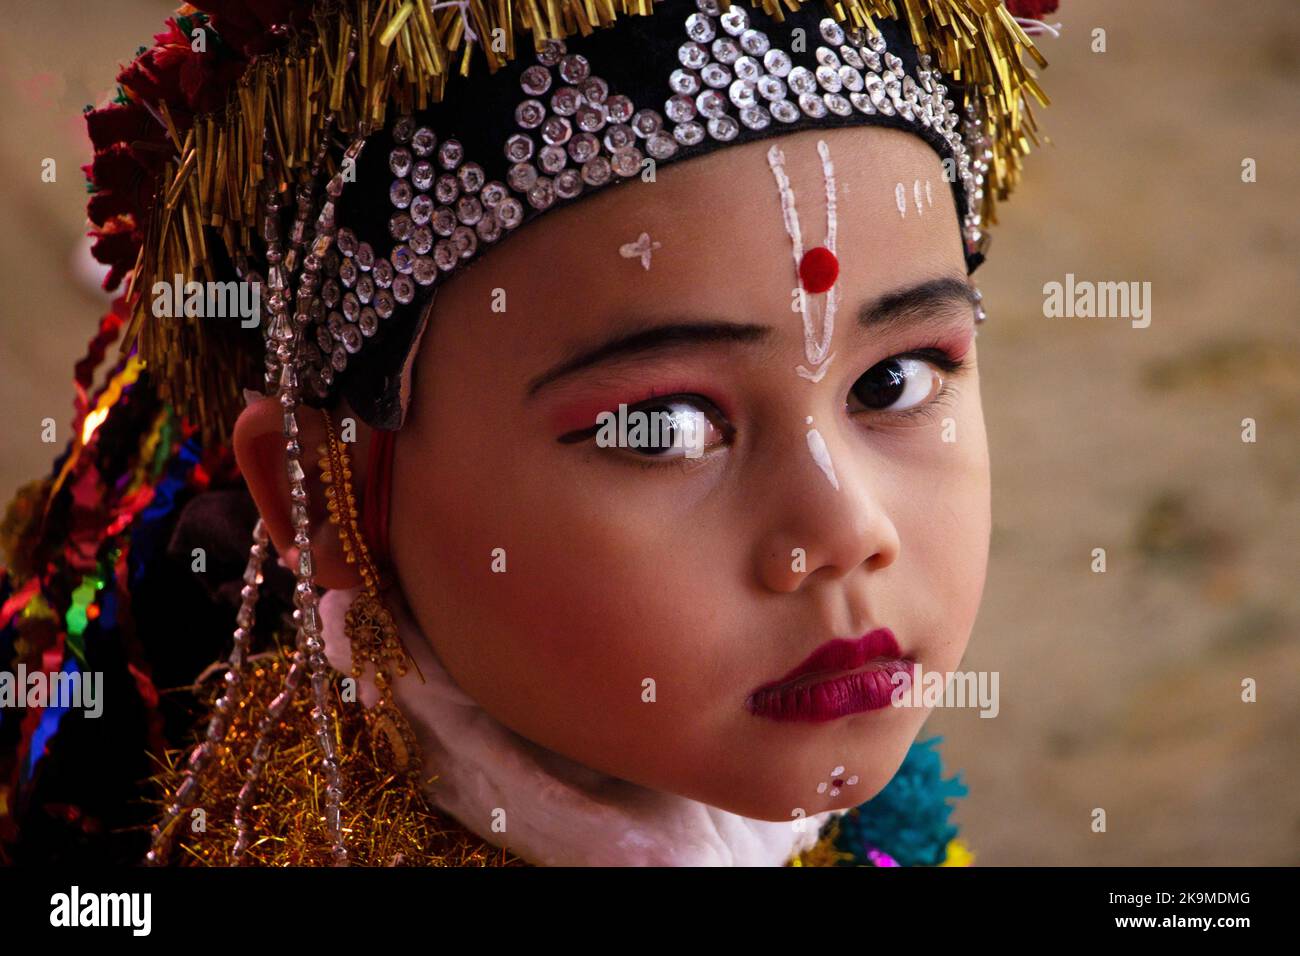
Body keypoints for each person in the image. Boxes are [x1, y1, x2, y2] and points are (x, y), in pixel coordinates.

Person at [0, 0, 1054, 866]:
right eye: (661, 426)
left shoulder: (822, 772)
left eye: (893, 378)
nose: (845, 528)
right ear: (317, 489)